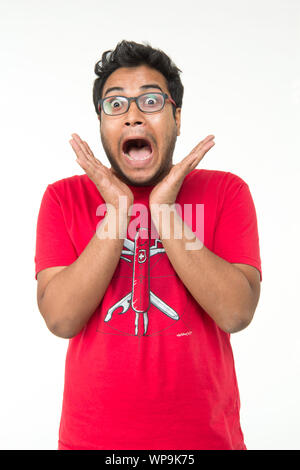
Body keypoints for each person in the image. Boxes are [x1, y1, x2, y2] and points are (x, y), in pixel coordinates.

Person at [34, 40, 262, 450]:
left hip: (204, 443)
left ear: (176, 118)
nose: (134, 116)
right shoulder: (63, 199)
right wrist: (119, 210)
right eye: (115, 105)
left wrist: (165, 212)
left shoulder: (227, 191)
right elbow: (61, 321)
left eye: (151, 101)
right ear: (101, 123)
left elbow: (235, 313)